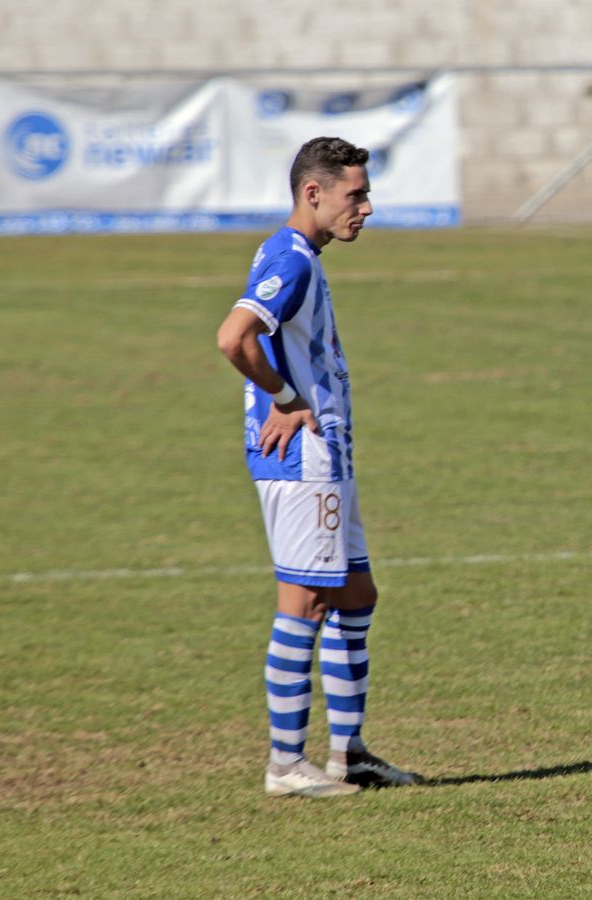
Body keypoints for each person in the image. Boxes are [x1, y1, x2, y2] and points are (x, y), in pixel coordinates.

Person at [216, 136, 421, 797]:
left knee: (356, 595)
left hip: (328, 457)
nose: (367, 207)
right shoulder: (291, 259)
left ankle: (349, 754)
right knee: (302, 603)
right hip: (300, 459)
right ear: (315, 193)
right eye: (356, 194)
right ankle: (284, 764)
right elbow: (233, 336)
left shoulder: (301, 256)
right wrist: (283, 397)